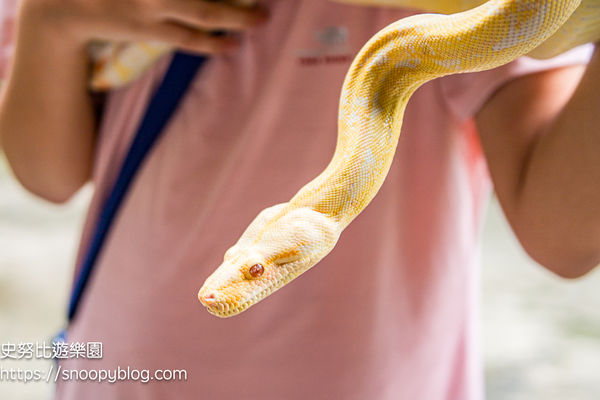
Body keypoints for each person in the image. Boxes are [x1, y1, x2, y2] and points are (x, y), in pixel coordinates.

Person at [0, 0, 598, 399]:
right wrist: (51, 21)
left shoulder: (455, 14)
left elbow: (565, 241)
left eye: (254, 269)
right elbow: (47, 177)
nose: (229, 287)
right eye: (247, 264)